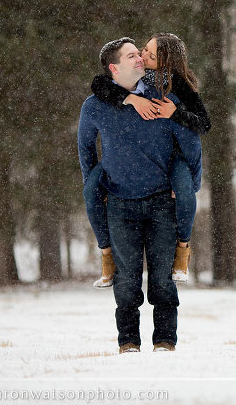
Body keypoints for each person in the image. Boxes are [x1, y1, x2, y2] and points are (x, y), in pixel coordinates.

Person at [78, 37, 202, 353]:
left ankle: (165, 341)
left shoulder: (164, 98)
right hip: (119, 203)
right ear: (114, 68)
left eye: (141, 54)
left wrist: (185, 183)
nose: (140, 60)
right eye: (132, 56)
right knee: (127, 282)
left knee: (162, 281)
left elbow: (191, 143)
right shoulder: (94, 105)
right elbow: (85, 148)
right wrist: (99, 183)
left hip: (162, 200)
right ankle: (128, 342)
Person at [86, 33, 210, 287]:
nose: (142, 57)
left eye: (150, 56)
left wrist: (176, 113)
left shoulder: (176, 85)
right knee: (90, 191)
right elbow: (100, 83)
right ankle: (106, 255)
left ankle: (183, 250)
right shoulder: (144, 79)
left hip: (172, 157)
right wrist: (130, 98)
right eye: (143, 50)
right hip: (131, 172)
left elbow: (202, 126)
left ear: (165, 64)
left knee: (186, 192)